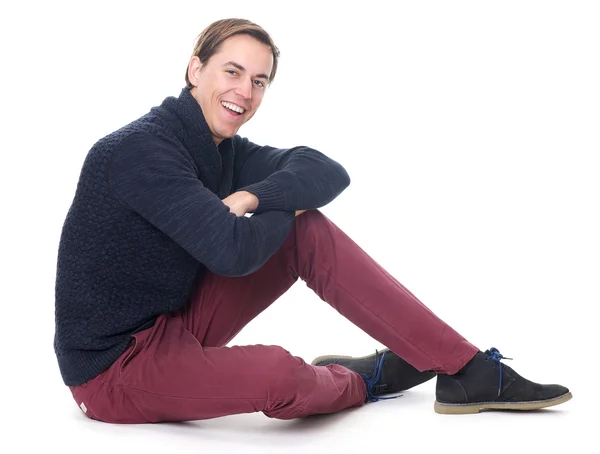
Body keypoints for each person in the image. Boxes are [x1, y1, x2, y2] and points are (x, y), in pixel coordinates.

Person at [53, 18, 572, 424]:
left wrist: (256, 196)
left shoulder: (219, 148)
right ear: (195, 69)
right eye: (232, 72)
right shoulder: (140, 151)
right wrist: (283, 201)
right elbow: (232, 253)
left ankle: (464, 369)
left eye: (259, 81)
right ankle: (359, 380)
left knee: (307, 228)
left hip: (177, 322)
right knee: (281, 374)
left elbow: (326, 170)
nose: (245, 93)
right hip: (115, 370)